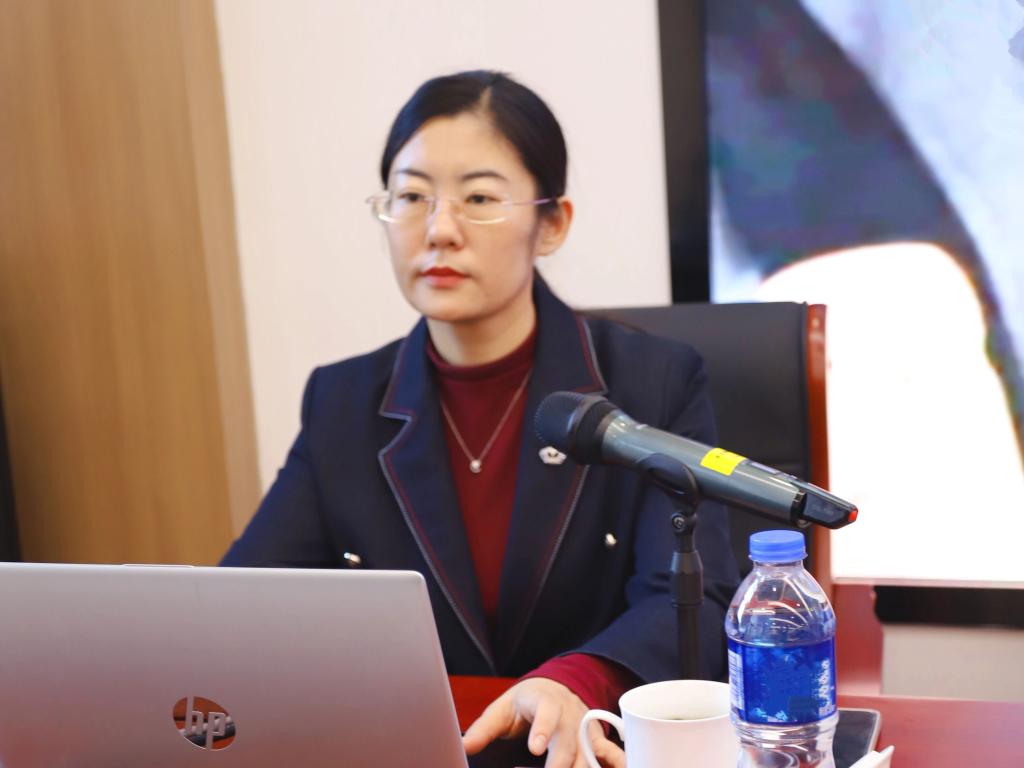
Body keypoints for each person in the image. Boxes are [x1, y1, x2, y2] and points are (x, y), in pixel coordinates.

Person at [222, 70, 738, 768]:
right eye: (411, 197)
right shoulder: (342, 402)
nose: (439, 231)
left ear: (551, 224)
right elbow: (246, 607)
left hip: (583, 754)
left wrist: (578, 680)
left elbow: (695, 603)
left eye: (479, 199)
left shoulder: (653, 384)